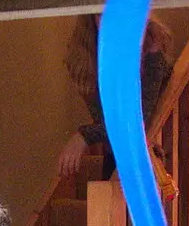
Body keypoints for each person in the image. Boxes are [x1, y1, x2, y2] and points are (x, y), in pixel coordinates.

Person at [57, 13, 173, 180]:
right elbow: (105, 119)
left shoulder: (150, 41)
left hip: (156, 149)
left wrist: (84, 136)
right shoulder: (88, 56)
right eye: (100, 15)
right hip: (118, 151)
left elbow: (139, 114)